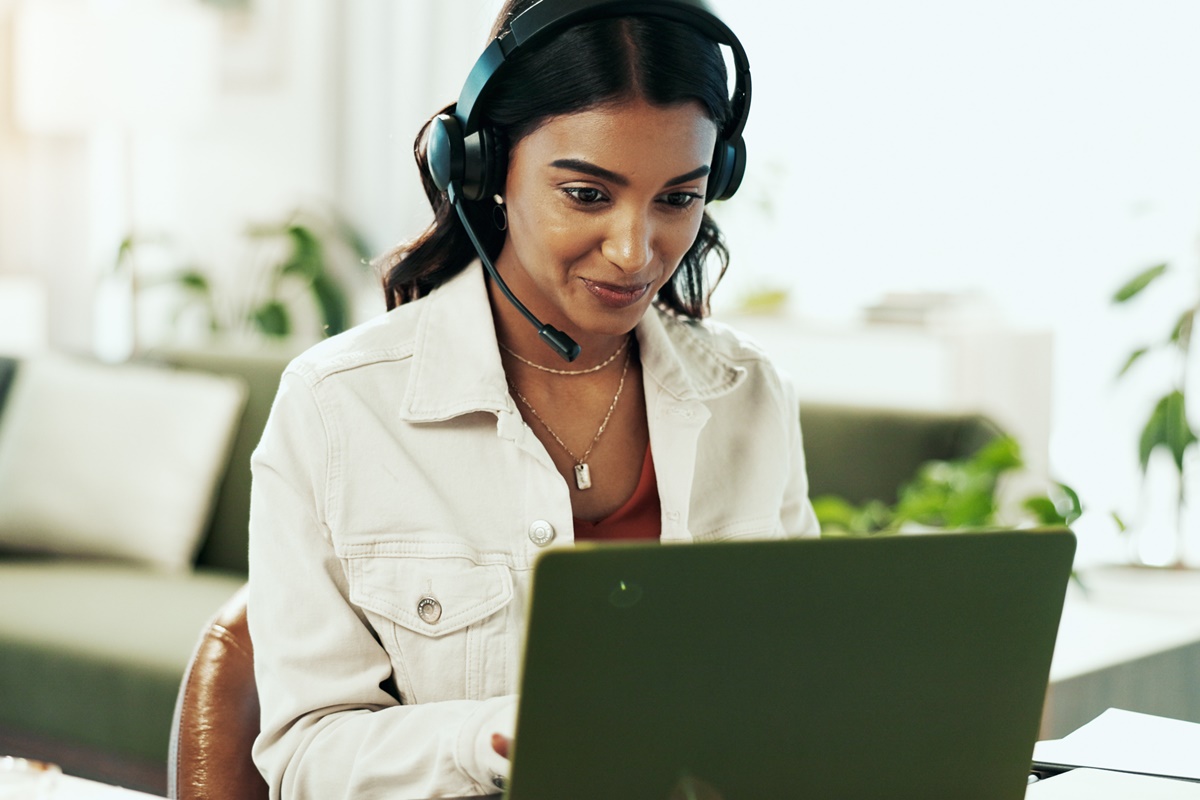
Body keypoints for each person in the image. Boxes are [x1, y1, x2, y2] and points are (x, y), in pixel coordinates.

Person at [247, 0, 819, 797]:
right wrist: (488, 736)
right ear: (484, 168)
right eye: (587, 194)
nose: (634, 250)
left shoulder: (749, 396)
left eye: (678, 199)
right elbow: (306, 754)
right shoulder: (335, 409)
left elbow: (800, 691)